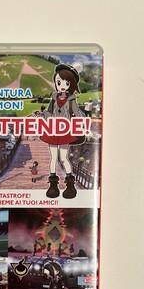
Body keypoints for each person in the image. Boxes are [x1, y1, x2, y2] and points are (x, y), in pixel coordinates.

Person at [36, 62, 86, 199]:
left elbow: (78, 113)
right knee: (53, 158)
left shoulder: (71, 100)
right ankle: (53, 186)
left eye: (66, 83)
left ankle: (70, 185)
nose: (62, 86)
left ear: (71, 84)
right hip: (53, 131)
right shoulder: (54, 98)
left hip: (64, 131)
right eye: (59, 82)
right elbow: (49, 113)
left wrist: (83, 122)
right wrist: (42, 115)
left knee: (63, 158)